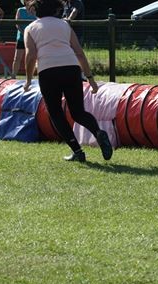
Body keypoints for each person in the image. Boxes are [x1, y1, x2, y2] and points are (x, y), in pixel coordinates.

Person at [23, 0, 112, 162]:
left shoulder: (30, 28)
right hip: (71, 69)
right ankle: (98, 132)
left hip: (48, 71)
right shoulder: (64, 25)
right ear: (55, 9)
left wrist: (28, 80)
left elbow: (30, 56)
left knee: (56, 113)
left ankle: (77, 151)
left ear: (35, 10)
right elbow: (79, 52)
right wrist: (90, 78)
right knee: (78, 112)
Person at [12, 0, 36, 79]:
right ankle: (13, 76)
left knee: (32, 58)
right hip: (21, 38)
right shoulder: (20, 10)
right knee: (17, 58)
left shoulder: (35, 10)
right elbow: (17, 24)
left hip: (33, 38)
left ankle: (30, 77)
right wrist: (24, 33)